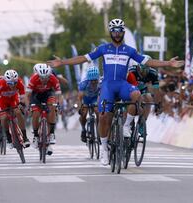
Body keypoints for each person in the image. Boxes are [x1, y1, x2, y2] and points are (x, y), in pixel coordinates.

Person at [47, 18, 184, 165]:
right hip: (107, 86)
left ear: (123, 32)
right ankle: (104, 149)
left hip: (122, 84)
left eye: (119, 31)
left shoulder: (130, 50)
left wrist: (168, 63)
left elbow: (148, 62)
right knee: (104, 116)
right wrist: (63, 62)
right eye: (114, 31)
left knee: (137, 94)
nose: (117, 34)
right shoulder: (103, 48)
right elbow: (83, 58)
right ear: (110, 32)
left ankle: (126, 127)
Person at [27, 63, 61, 155]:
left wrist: (58, 104)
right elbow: (28, 95)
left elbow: (58, 93)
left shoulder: (53, 78)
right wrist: (28, 105)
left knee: (53, 107)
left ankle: (52, 133)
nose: (44, 80)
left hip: (48, 94)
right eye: (42, 77)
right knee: (36, 114)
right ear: (38, 75)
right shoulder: (33, 79)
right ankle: (36, 136)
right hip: (36, 95)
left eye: (46, 77)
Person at [0, 70, 30, 148]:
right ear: (6, 81)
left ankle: (25, 137)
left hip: (13, 99)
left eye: (14, 83)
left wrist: (22, 105)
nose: (12, 85)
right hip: (2, 101)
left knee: (18, 113)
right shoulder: (1, 83)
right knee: (4, 117)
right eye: (10, 83)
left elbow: (23, 97)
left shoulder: (19, 82)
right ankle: (8, 137)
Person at [78, 66, 100, 143]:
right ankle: (83, 129)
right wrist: (80, 107)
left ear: (98, 78)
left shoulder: (101, 82)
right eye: (91, 80)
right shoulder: (84, 83)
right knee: (84, 113)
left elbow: (102, 95)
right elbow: (80, 97)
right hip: (86, 98)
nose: (93, 82)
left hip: (95, 98)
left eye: (95, 80)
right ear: (88, 79)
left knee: (98, 112)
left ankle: (99, 130)